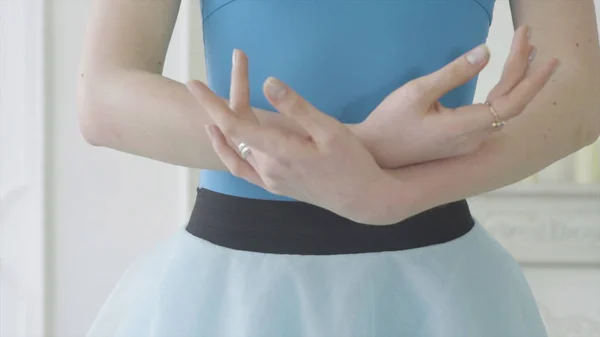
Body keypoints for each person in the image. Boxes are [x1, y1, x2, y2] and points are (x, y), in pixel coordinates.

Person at [78, 0, 599, 335]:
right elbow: (105, 96)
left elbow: (580, 92)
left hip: (442, 292)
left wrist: (395, 195)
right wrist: (365, 150)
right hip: (230, 296)